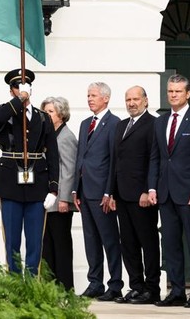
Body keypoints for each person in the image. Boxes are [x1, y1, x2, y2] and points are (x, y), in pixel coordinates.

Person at [148, 74, 190, 308]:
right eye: (170, 91)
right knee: (171, 244)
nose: (173, 95)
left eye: (177, 91)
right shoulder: (160, 122)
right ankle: (176, 292)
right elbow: (155, 157)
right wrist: (152, 187)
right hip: (165, 193)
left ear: (188, 94)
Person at [0, 69, 59, 276]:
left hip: (38, 184)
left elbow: (53, 155)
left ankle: (32, 281)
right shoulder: (4, 114)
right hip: (10, 183)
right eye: (17, 87)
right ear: (11, 92)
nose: (22, 90)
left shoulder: (43, 118)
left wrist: (53, 189)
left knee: (35, 238)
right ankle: (14, 281)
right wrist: (20, 100)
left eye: (25, 87)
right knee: (12, 239)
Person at [108, 86, 159, 305]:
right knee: (128, 243)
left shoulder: (154, 124)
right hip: (121, 195)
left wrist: (148, 190)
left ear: (145, 101)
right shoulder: (121, 125)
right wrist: (110, 192)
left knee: (147, 242)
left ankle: (152, 289)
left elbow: (153, 160)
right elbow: (115, 162)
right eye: (128, 99)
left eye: (136, 99)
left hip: (142, 196)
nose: (131, 103)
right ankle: (136, 286)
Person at [72, 82, 122, 301]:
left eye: (93, 95)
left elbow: (114, 161)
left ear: (106, 99)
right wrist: (75, 189)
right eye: (88, 95)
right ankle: (95, 283)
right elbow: (80, 158)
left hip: (102, 192)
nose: (90, 99)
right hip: (84, 192)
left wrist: (109, 192)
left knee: (109, 240)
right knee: (91, 240)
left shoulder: (115, 123)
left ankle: (115, 284)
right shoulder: (85, 124)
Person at [39, 96, 77, 291]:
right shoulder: (49, 134)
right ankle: (51, 287)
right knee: (48, 246)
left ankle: (65, 287)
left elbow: (69, 169)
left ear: (61, 114)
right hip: (48, 202)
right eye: (45, 111)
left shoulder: (65, 136)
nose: (47, 115)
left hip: (60, 202)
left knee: (61, 245)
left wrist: (64, 198)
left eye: (51, 112)